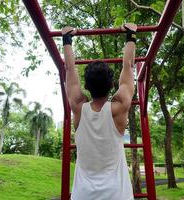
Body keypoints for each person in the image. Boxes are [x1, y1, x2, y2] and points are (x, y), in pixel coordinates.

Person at [62, 23, 137, 200]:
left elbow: (70, 69)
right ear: (112, 85)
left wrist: (67, 38)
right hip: (117, 195)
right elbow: (128, 66)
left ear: (86, 86)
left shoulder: (79, 107)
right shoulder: (119, 107)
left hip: (83, 195)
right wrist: (131, 34)